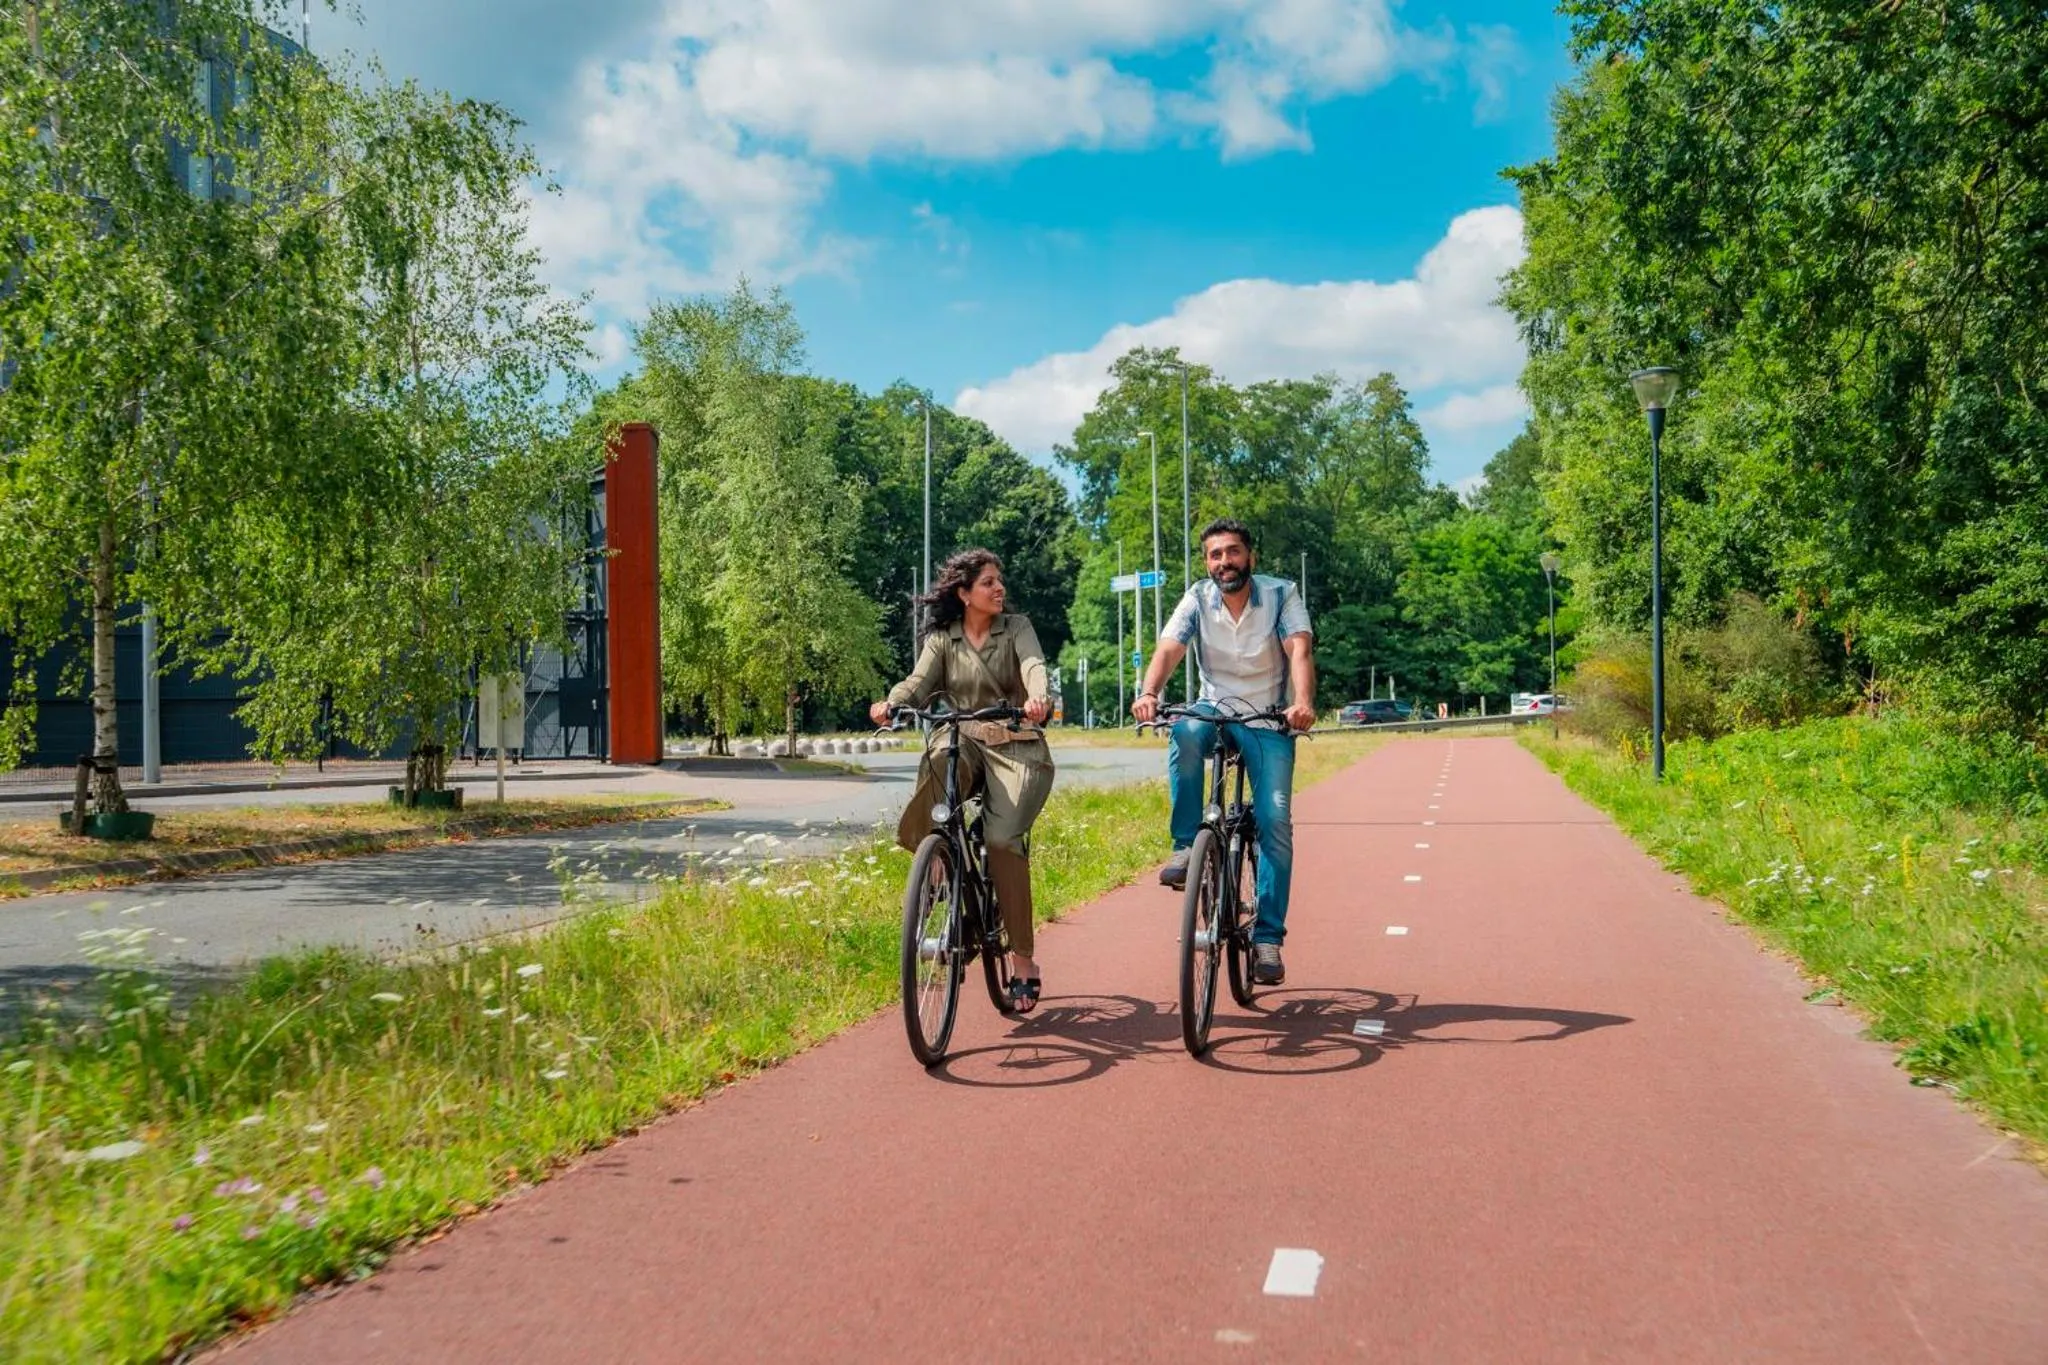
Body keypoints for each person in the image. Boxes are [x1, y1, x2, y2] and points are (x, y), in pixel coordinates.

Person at [1131, 518, 1315, 986]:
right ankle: (1185, 848)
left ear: (1250, 557)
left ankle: (1268, 938)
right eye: (1215, 554)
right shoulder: (1197, 597)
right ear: (1206, 561)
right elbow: (1170, 647)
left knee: (1275, 821)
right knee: (1186, 733)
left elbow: (1299, 651)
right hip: (1214, 708)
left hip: (1267, 716)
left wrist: (1302, 704)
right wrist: (1149, 691)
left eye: (1233, 552)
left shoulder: (1280, 594)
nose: (1224, 562)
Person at [870, 549, 1055, 1011]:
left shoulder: (1017, 628)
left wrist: (1038, 698)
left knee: (1001, 839)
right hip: (965, 740)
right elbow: (918, 683)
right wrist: (892, 703)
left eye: (1000, 580)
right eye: (988, 582)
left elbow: (1033, 666)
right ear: (964, 593)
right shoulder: (943, 639)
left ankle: (1023, 959)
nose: (999, 588)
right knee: (937, 757)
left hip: (1017, 744)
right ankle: (937, 863)